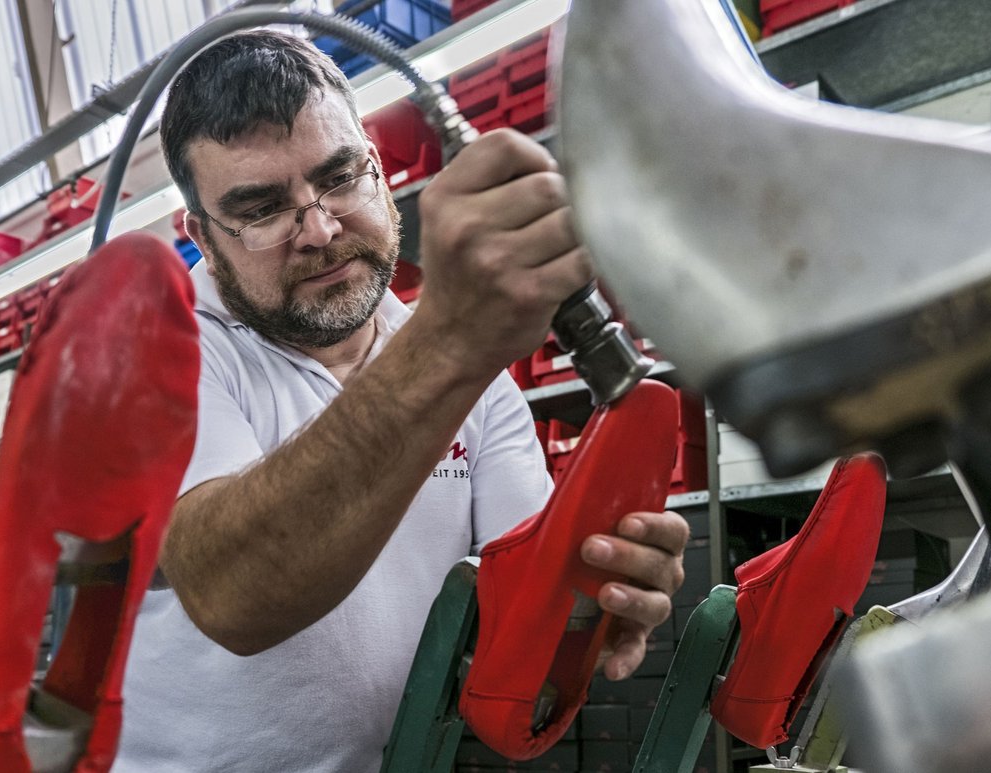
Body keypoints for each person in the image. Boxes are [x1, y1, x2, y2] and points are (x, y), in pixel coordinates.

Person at [114, 29, 688, 773]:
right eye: (261, 210)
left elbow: (526, 605)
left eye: (339, 178)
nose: (319, 229)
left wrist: (596, 598)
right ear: (203, 236)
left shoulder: (474, 375)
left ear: (379, 171)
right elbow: (233, 594)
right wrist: (447, 344)